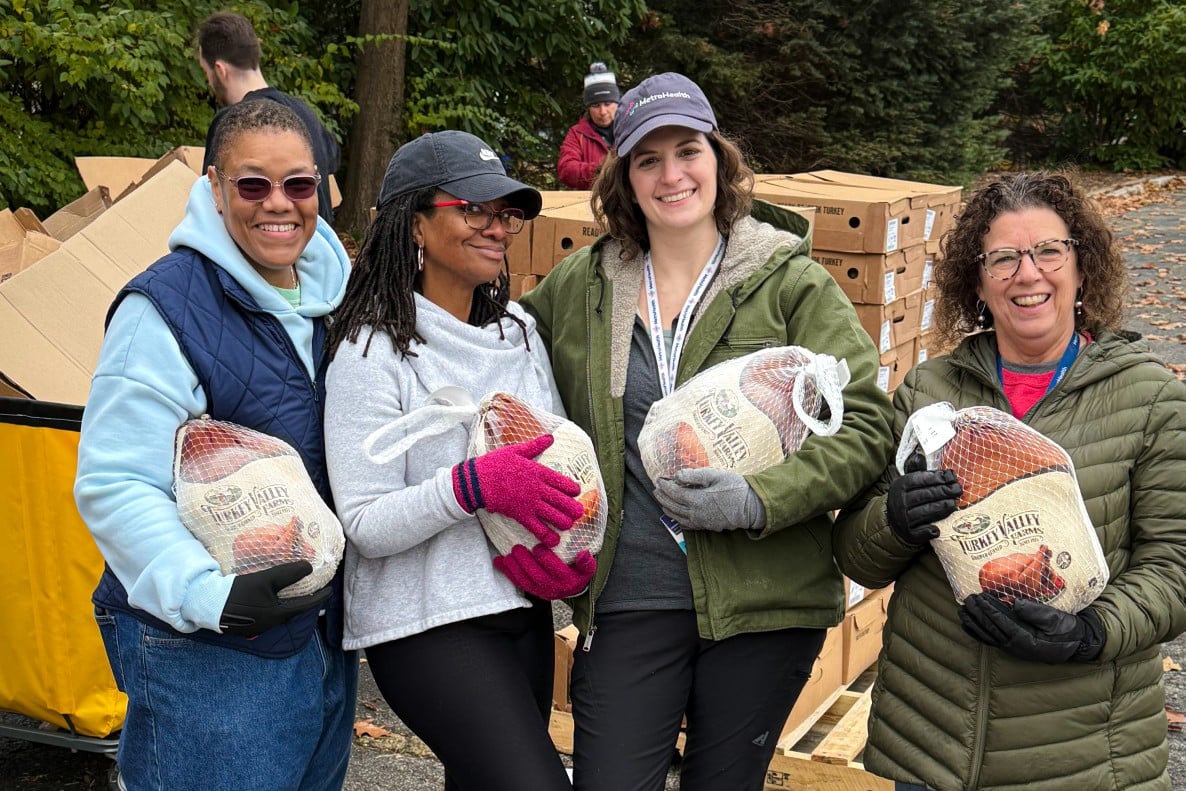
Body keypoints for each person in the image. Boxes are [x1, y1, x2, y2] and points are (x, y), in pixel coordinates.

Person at [519, 72, 894, 791]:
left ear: (719, 159)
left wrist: (761, 498)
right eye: (646, 159)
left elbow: (868, 422)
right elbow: (494, 347)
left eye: (687, 150)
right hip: (631, 597)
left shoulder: (790, 284)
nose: (671, 175)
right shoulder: (583, 286)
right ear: (624, 179)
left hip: (764, 595)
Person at [833, 171, 1186, 790]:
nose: (1028, 274)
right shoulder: (928, 395)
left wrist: (1091, 633)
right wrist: (895, 519)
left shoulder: (1151, 399)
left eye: (1049, 250)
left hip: (1082, 756)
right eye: (1003, 258)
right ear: (977, 282)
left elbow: (1175, 564)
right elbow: (857, 558)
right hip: (935, 742)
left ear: (1082, 268)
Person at [74, 100, 357, 790]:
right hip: (208, 648)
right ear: (213, 189)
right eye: (252, 185)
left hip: (317, 635)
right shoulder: (164, 309)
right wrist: (209, 594)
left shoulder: (337, 301)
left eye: (298, 184)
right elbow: (115, 483)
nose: (278, 204)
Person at [322, 129, 595, 791]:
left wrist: (566, 560)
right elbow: (363, 521)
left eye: (504, 213)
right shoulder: (370, 349)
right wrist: (471, 485)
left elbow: (556, 464)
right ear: (415, 222)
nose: (496, 227)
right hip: (426, 626)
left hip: (521, 610)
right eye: (472, 209)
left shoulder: (519, 333)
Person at [196, 10, 340, 226]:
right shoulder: (305, 113)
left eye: (205, 71)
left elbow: (212, 212)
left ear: (219, 69)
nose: (208, 81)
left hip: (263, 252)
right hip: (314, 250)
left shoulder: (231, 124)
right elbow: (333, 158)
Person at [557, 61, 619, 190]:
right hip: (590, 203)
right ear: (588, 108)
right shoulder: (577, 134)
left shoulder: (630, 129)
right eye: (596, 106)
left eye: (607, 104)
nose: (602, 112)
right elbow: (566, 170)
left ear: (617, 104)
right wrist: (603, 167)